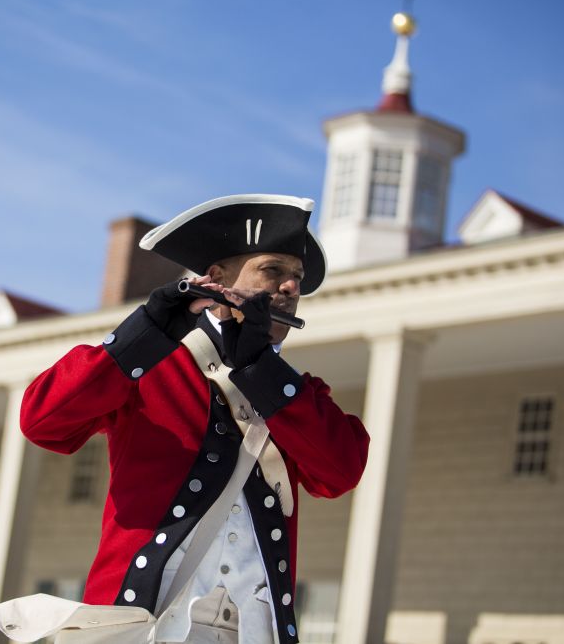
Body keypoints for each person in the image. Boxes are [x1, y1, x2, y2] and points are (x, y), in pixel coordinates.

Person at [20, 194, 370, 643]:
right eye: (272, 270)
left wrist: (261, 367)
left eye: (296, 277)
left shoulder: (294, 394)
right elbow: (42, 422)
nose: (290, 287)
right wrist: (141, 333)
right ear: (217, 279)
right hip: (145, 626)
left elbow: (340, 472)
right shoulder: (149, 364)